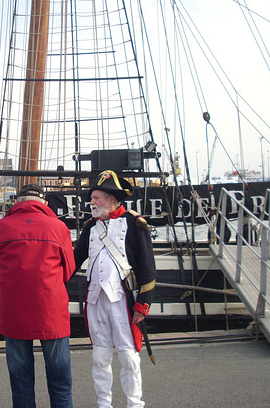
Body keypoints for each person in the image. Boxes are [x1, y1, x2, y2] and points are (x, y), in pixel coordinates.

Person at [74, 170, 156, 408]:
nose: (92, 202)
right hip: (96, 300)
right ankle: (104, 404)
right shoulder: (91, 228)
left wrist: (143, 303)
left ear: (111, 198)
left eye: (97, 198)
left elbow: (148, 268)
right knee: (100, 357)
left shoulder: (134, 224)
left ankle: (134, 404)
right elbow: (74, 260)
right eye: (92, 198)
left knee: (129, 357)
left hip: (123, 300)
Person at [0, 183, 76, 408]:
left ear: (17, 202)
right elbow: (69, 270)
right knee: (60, 383)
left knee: (21, 383)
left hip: (14, 312)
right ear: (45, 203)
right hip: (51, 312)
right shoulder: (58, 227)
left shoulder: (1, 227)